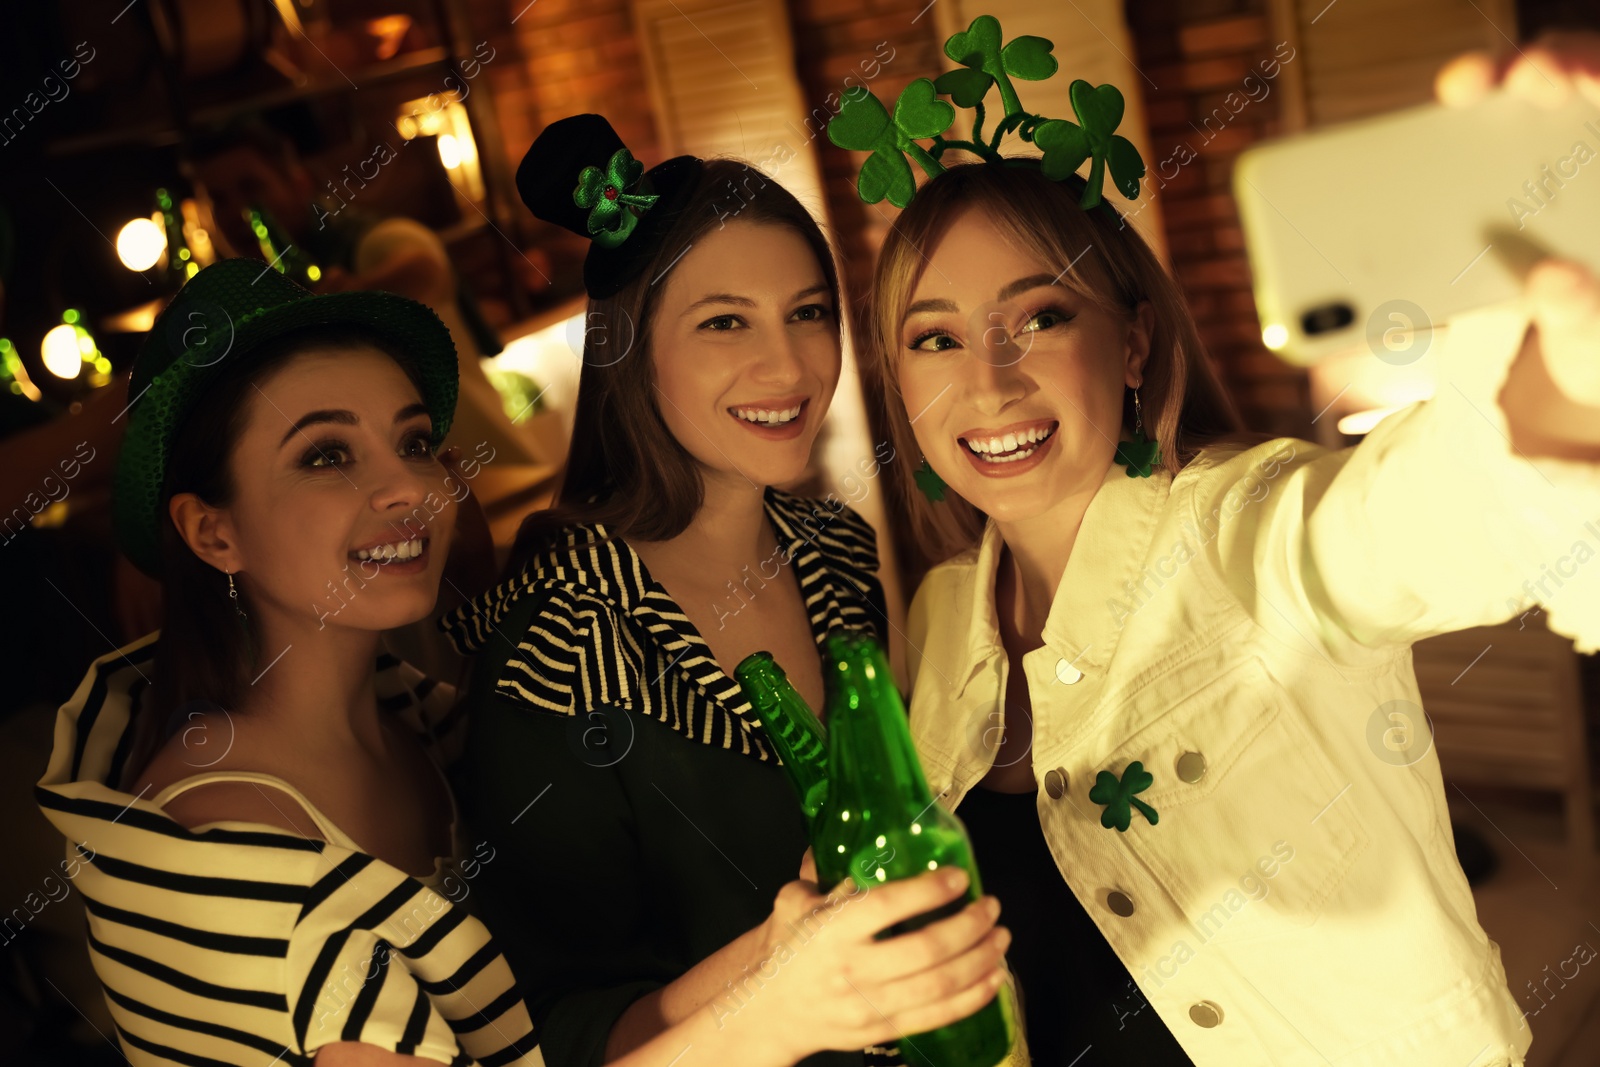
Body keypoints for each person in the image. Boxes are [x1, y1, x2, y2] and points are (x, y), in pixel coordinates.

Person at [849, 17, 1600, 1067]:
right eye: (934, 337)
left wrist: (1567, 372)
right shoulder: (931, 623)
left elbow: (1458, 503)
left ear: (1133, 342)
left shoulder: (1243, 533)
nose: (988, 378)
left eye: (1043, 317)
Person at [35, 259, 1006, 1067]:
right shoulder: (234, 863)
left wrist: (783, 953)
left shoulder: (426, 716)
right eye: (327, 455)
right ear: (212, 530)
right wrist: (771, 1014)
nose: (409, 487)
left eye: (414, 441)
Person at [439, 114, 1018, 1067]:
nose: (788, 366)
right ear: (633, 349)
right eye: (723, 322)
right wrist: (779, 989)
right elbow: (561, 1025)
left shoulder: (835, 550)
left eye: (808, 311)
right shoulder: (563, 639)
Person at [190, 120, 554, 472]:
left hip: (485, 473)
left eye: (252, 188)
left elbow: (426, 267)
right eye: (218, 199)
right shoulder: (249, 299)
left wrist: (354, 295)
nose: (237, 212)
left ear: (298, 182)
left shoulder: (362, 243)